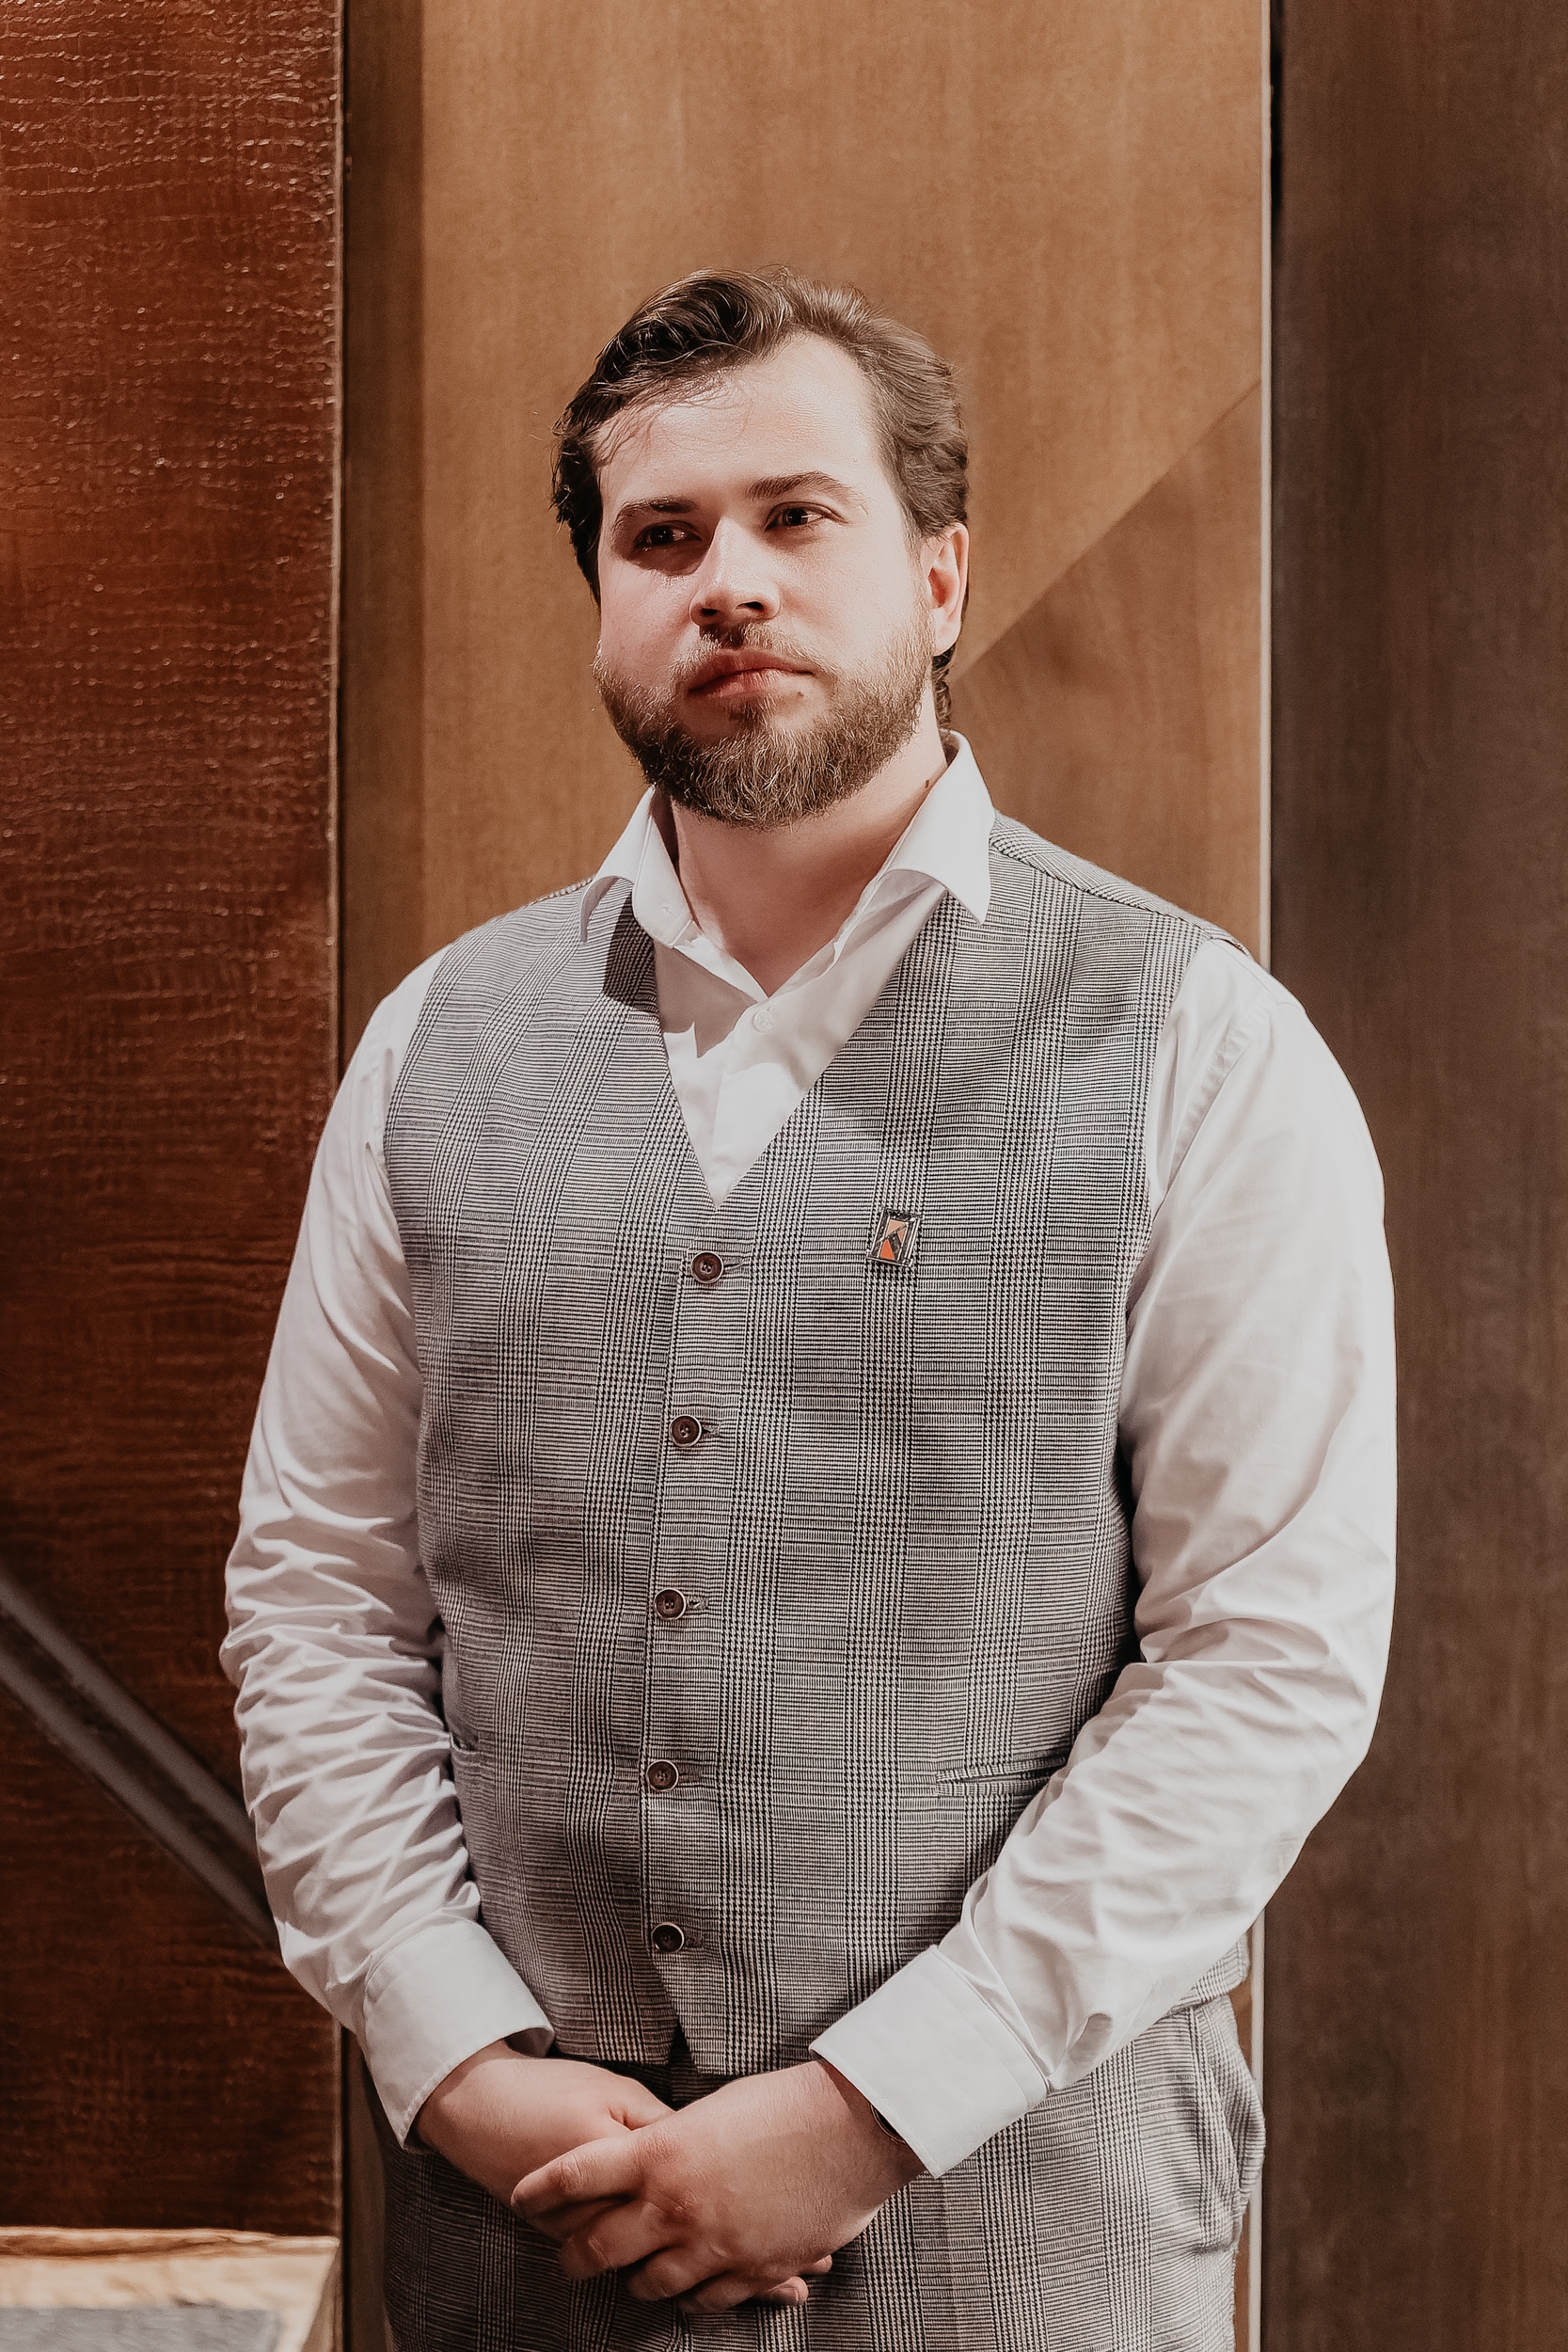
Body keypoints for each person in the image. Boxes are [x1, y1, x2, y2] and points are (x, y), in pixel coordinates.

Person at [223, 267, 1395, 2350]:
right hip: (523, 2246)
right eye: (662, 538)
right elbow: (322, 1598)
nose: (729, 583)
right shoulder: (433, 1047)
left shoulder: (1202, 1042)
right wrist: (449, 2044)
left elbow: (1265, 1663)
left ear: (939, 577)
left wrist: (869, 2108)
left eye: (796, 517)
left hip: (1023, 2246)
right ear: (603, 605)